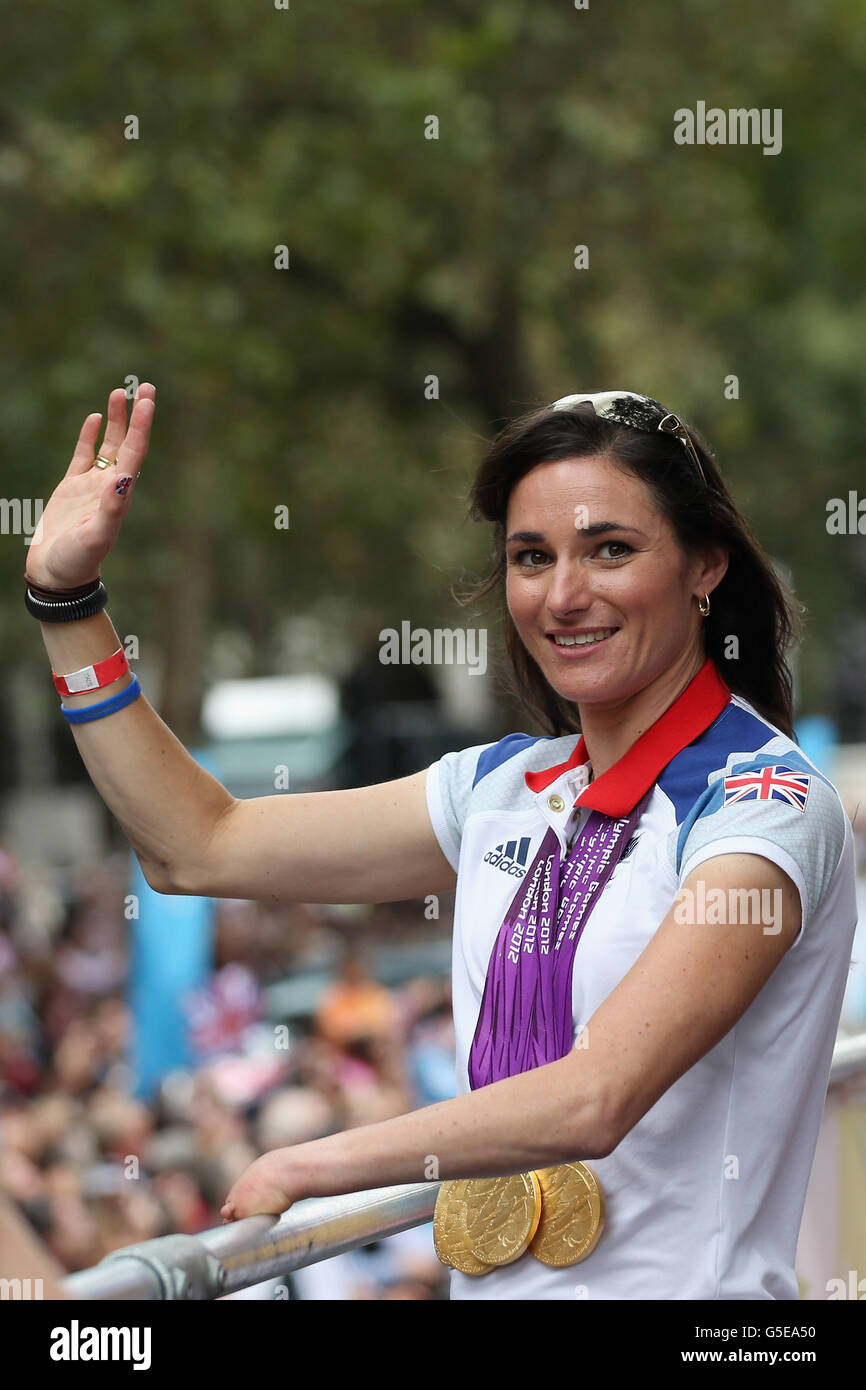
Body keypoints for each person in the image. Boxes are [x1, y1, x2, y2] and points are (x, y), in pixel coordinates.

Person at [23, 385, 857, 1301]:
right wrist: (69, 605)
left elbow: (596, 1096)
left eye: (611, 549)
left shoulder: (764, 802)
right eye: (531, 557)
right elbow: (197, 846)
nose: (565, 595)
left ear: (707, 565)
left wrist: (314, 1165)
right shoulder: (499, 788)